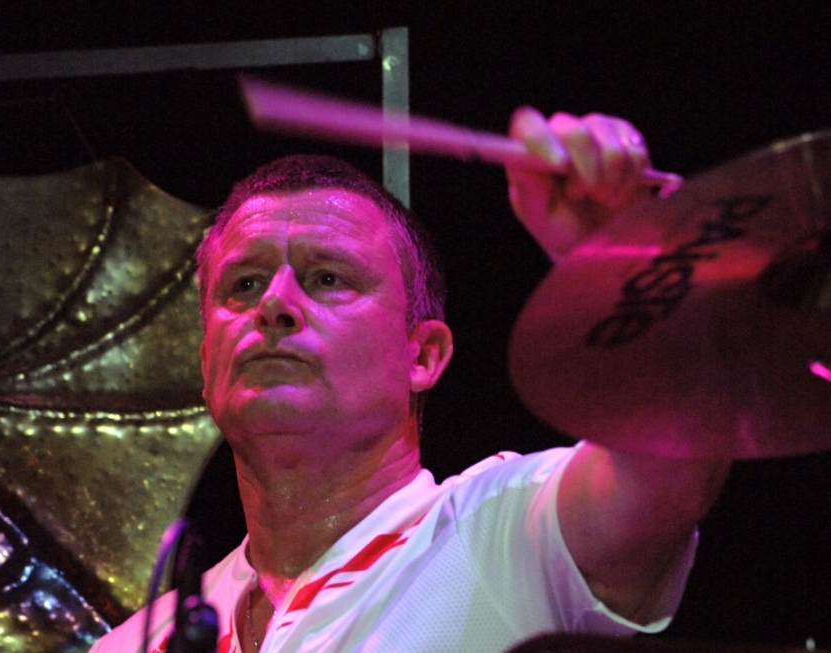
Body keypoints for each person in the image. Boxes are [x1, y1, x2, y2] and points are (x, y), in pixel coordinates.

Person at [90, 107, 730, 653]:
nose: (275, 303)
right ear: (207, 365)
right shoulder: (132, 644)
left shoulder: (503, 532)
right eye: (245, 283)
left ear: (422, 354)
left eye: (327, 278)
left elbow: (668, 472)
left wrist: (627, 261)